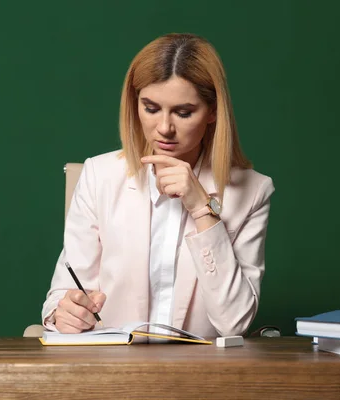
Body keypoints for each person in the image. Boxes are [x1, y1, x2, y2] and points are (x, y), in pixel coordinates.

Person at [42, 33, 275, 338]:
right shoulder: (99, 175)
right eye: (151, 108)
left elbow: (234, 323)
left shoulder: (253, 191)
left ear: (213, 111)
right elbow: (62, 296)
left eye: (183, 112)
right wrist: (65, 313)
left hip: (202, 376)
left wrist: (202, 210)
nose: (164, 128)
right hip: (111, 371)